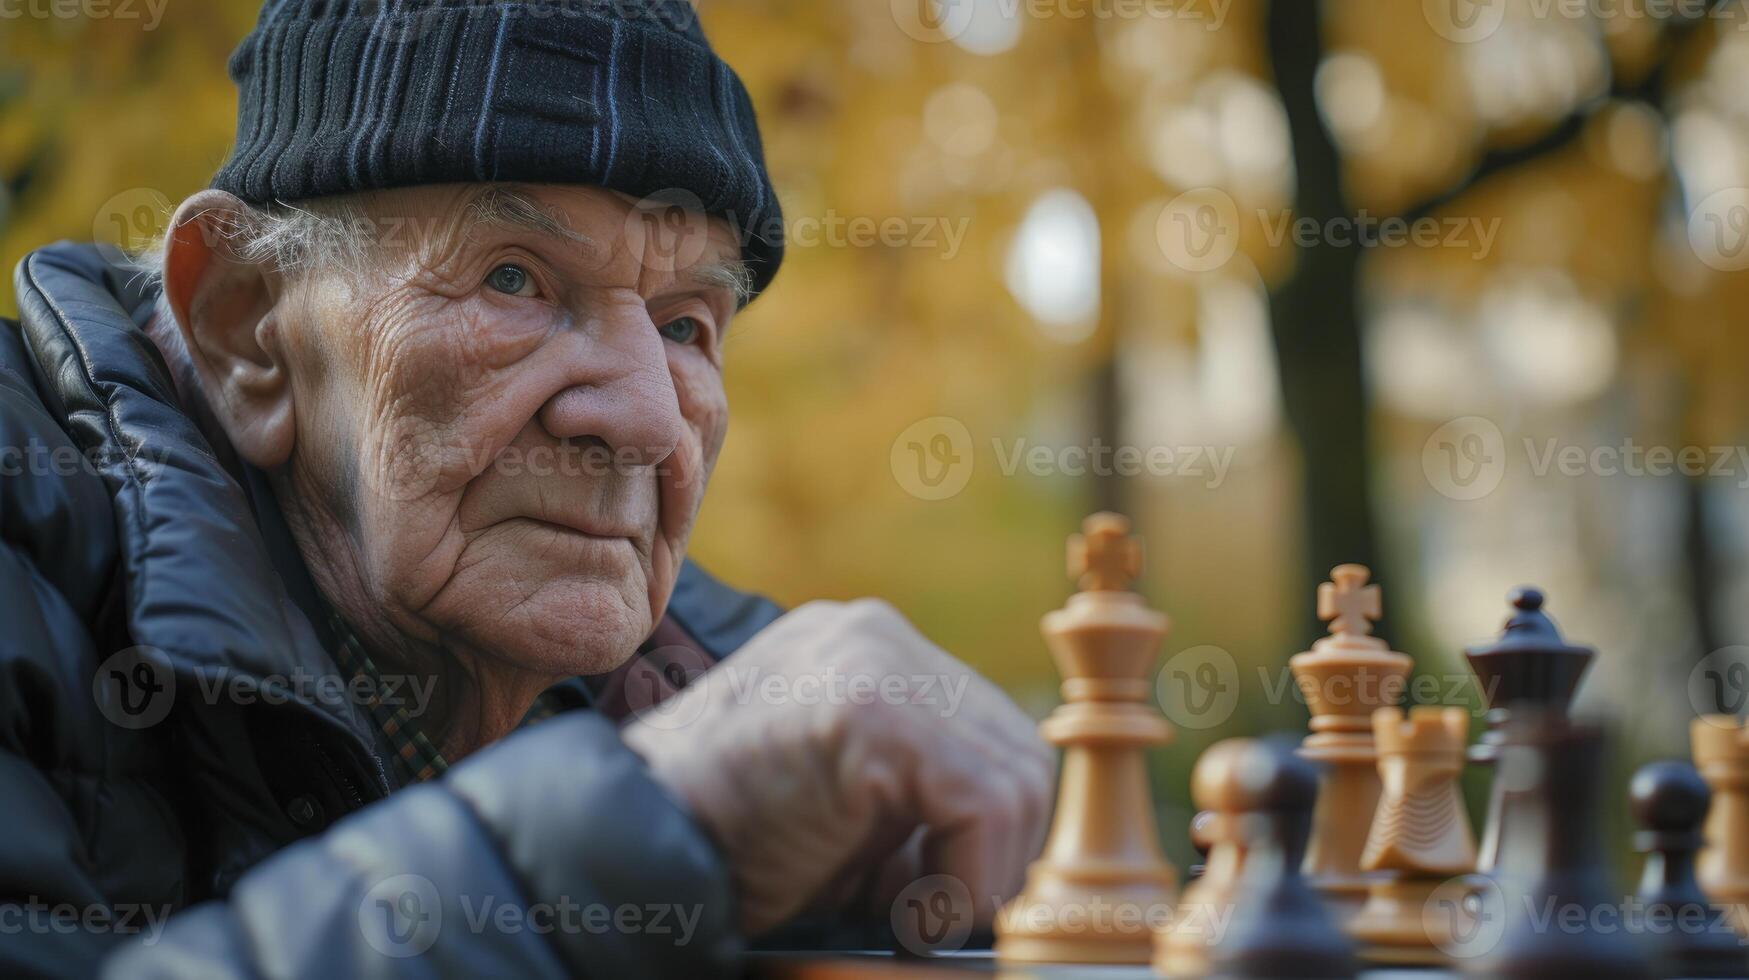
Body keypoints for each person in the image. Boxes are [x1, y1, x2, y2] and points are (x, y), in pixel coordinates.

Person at [0, 2, 1051, 975]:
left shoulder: (730, 686)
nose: (645, 418)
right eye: (515, 278)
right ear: (246, 327)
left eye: (687, 325)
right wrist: (650, 825)